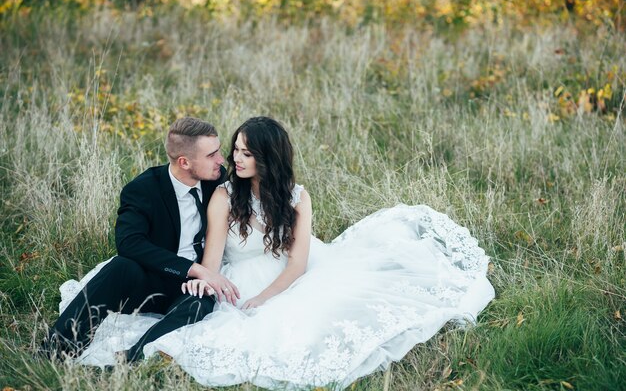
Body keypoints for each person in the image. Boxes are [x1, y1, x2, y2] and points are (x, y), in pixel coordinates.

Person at [58, 117, 495, 389]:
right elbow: (200, 255)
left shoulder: (291, 195)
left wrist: (262, 297)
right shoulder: (211, 194)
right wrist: (202, 275)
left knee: (311, 318)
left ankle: (139, 355)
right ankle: (85, 352)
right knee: (176, 289)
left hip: (285, 275)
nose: (231, 160)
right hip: (208, 272)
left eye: (242, 152)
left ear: (266, 157)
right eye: (227, 152)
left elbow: (299, 262)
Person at [42, 117, 239, 362]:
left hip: (190, 287)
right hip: (152, 280)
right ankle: (56, 349)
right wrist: (194, 268)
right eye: (211, 155)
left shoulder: (217, 182)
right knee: (119, 267)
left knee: (201, 303)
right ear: (184, 162)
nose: (221, 160)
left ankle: (132, 358)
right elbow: (129, 243)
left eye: (218, 151)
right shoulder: (143, 189)